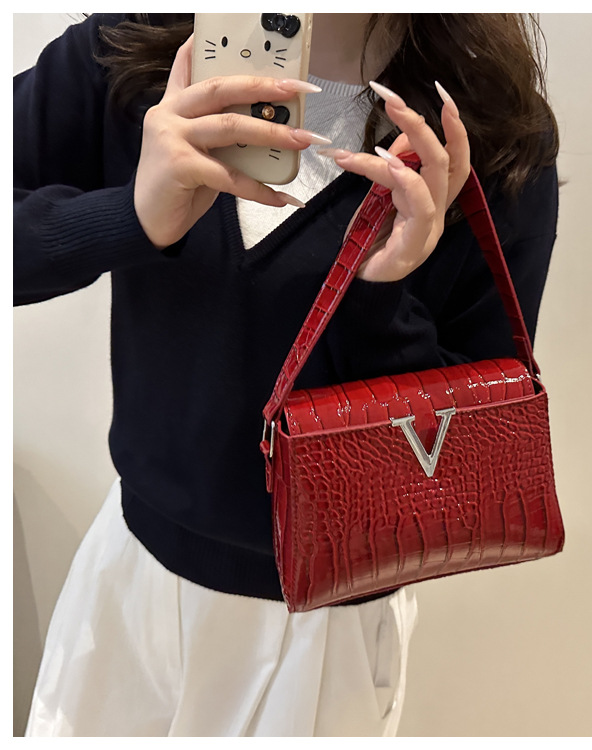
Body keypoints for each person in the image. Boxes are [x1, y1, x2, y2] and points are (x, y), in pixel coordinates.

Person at [14, 13, 559, 737]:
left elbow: (473, 435)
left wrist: (380, 297)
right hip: (128, 584)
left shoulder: (487, 125)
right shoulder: (133, 50)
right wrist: (131, 215)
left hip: (327, 638)